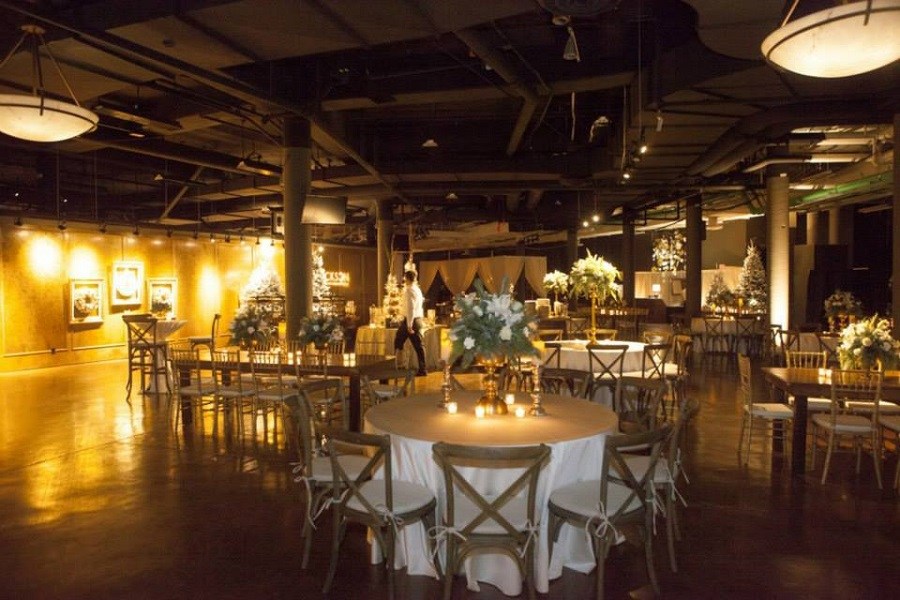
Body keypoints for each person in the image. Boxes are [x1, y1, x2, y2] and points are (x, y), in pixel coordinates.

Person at [394, 270, 427, 376]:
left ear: (406, 278)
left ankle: (399, 365)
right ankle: (418, 368)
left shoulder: (409, 290)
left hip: (410, 321)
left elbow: (410, 309)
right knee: (418, 346)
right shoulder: (417, 289)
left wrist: (409, 325)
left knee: (399, 341)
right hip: (417, 319)